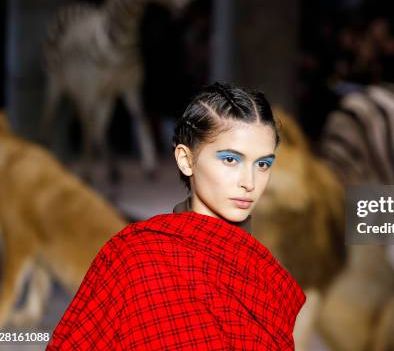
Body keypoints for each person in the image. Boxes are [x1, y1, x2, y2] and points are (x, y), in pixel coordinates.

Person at [47, 82, 306, 350]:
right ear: (186, 159)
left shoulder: (262, 271)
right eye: (231, 160)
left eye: (263, 164)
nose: (249, 182)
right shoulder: (134, 258)